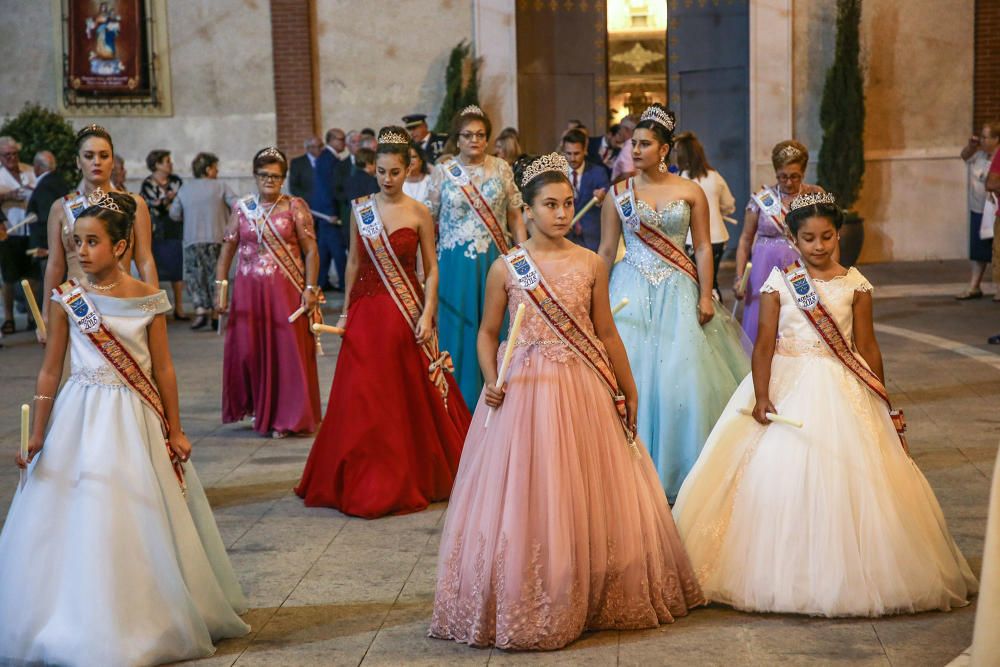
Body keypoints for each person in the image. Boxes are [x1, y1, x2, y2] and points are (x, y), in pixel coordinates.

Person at [430, 153, 704, 651]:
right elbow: (487, 335)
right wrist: (491, 377)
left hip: (585, 388)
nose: (560, 213)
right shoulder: (507, 268)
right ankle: (536, 588)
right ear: (528, 211)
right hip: (526, 394)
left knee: (587, 489)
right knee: (532, 493)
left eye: (567, 203)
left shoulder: (592, 262)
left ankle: (593, 587)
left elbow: (607, 334)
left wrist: (628, 386)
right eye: (549, 204)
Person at [673, 192, 977, 616]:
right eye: (809, 238)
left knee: (853, 477)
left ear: (838, 235)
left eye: (827, 237)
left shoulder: (856, 284)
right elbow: (763, 345)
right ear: (794, 240)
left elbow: (867, 345)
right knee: (777, 473)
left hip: (843, 387)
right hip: (787, 383)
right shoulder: (780, 282)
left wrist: (881, 397)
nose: (819, 246)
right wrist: (762, 395)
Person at [0, 190, 250, 665]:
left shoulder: (148, 299)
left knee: (137, 511)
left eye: (92, 241)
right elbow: (51, 370)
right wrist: (37, 434)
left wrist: (175, 429)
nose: (81, 250)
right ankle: (74, 615)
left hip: (135, 418)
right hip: (78, 416)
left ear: (120, 247)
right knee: (80, 509)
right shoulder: (66, 299)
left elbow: (164, 369)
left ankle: (146, 616)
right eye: (76, 242)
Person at [295, 127, 471, 518]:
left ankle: (411, 471)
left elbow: (431, 269)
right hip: (366, 313)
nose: (388, 179)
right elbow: (355, 262)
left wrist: (427, 313)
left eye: (395, 171)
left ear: (408, 168)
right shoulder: (361, 208)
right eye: (381, 172)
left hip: (406, 315)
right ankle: (361, 473)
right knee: (363, 397)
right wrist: (343, 316)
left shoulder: (419, 212)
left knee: (403, 396)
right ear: (373, 169)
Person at [598, 104, 750, 501]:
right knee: (634, 372)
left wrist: (705, 292)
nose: (636, 150)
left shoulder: (689, 190)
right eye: (634, 144)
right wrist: (592, 294)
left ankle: (686, 470)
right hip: (630, 289)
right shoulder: (619, 194)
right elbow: (605, 249)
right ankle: (630, 468)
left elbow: (702, 245)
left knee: (682, 378)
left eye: (645, 144)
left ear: (664, 149)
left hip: (679, 289)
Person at [215, 147, 322, 438]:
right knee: (252, 351)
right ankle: (261, 410)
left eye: (275, 176)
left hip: (285, 293)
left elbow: (311, 251)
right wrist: (221, 289)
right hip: (249, 294)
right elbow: (228, 249)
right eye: (264, 175)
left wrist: (311, 288)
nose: (269, 181)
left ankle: (287, 417)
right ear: (255, 175)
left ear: (283, 178)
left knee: (284, 353)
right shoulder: (242, 208)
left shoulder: (295, 207)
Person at [426, 105, 528, 408]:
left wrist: (523, 259)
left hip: (494, 262)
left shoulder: (501, 168)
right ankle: (456, 407)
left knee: (495, 328)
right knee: (458, 332)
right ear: (457, 139)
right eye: (468, 135)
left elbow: (516, 218)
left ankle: (497, 401)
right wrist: (424, 269)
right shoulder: (443, 172)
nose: (474, 140)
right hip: (454, 266)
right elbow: (428, 224)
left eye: (481, 135)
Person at [41, 124, 158, 340]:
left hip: (122, 303)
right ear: (78, 161)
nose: (96, 162)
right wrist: (45, 315)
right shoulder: (61, 207)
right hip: (76, 306)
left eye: (104, 156)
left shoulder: (134, 204)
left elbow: (145, 260)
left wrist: (152, 306)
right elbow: (55, 265)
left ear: (112, 161)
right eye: (89, 155)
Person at [733, 140, 824, 343]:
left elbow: (830, 236)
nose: (789, 182)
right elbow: (745, 239)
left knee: (800, 321)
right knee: (761, 325)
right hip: (763, 272)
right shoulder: (762, 199)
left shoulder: (815, 195)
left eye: (795, 176)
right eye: (783, 177)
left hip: (801, 268)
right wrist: (740, 277)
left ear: (803, 172)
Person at [169, 152, 237, 330]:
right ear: (208, 169)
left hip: (192, 239)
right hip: (217, 238)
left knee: (195, 276)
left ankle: (200, 311)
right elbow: (237, 205)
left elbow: (174, 213)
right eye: (215, 167)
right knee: (217, 276)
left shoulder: (185, 189)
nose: (217, 170)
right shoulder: (221, 186)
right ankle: (216, 313)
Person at [674, 131, 737, 302]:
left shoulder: (682, 178)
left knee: (693, 285)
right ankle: (720, 325)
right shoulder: (715, 176)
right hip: (717, 238)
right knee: (712, 283)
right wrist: (718, 211)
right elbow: (729, 204)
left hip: (690, 240)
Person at [289, 136, 343, 290]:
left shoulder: (327, 162)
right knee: (309, 246)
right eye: (314, 147)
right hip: (309, 210)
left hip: (325, 212)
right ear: (307, 148)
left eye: (320, 146)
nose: (319, 149)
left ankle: (323, 281)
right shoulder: (298, 163)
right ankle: (313, 281)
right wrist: (310, 204)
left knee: (324, 247)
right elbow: (294, 187)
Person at [141, 149, 187, 320]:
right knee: (156, 271)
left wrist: (165, 201)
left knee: (177, 269)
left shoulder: (176, 181)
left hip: (174, 229)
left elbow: (180, 202)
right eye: (167, 161)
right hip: (156, 232)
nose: (170, 164)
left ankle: (179, 308)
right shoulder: (147, 184)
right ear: (157, 165)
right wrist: (167, 200)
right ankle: (159, 309)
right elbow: (152, 205)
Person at [957, 120, 999, 299]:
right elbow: (964, 156)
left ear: (997, 139)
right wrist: (971, 145)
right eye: (981, 136)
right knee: (978, 250)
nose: (982, 140)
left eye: (985, 137)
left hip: (993, 209)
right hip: (978, 209)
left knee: (997, 250)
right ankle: (974, 285)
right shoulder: (979, 156)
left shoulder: (998, 158)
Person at [0, 136, 37, 333]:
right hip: (9, 230)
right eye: (7, 155)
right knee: (9, 277)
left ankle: (32, 315)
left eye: (15, 154)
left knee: (30, 275)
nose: (12, 158)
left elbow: (39, 189)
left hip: (29, 229)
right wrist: (8, 196)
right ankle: (8, 317)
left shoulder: (29, 170)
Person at [26, 151, 70, 306]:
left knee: (51, 293)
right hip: (56, 249)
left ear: (37, 167)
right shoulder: (59, 181)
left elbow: (48, 220)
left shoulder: (45, 186)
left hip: (48, 250)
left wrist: (48, 249)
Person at [561, 128, 609, 251]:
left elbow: (608, 203)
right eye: (568, 153)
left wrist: (602, 199)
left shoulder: (598, 172)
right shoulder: (557, 174)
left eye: (576, 153)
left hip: (591, 237)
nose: (572, 158)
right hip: (563, 237)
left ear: (584, 151)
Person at [610, 114, 639, 180]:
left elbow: (627, 175)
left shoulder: (627, 149)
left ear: (627, 130)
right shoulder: (636, 144)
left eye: (620, 128)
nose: (619, 131)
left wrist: (612, 185)